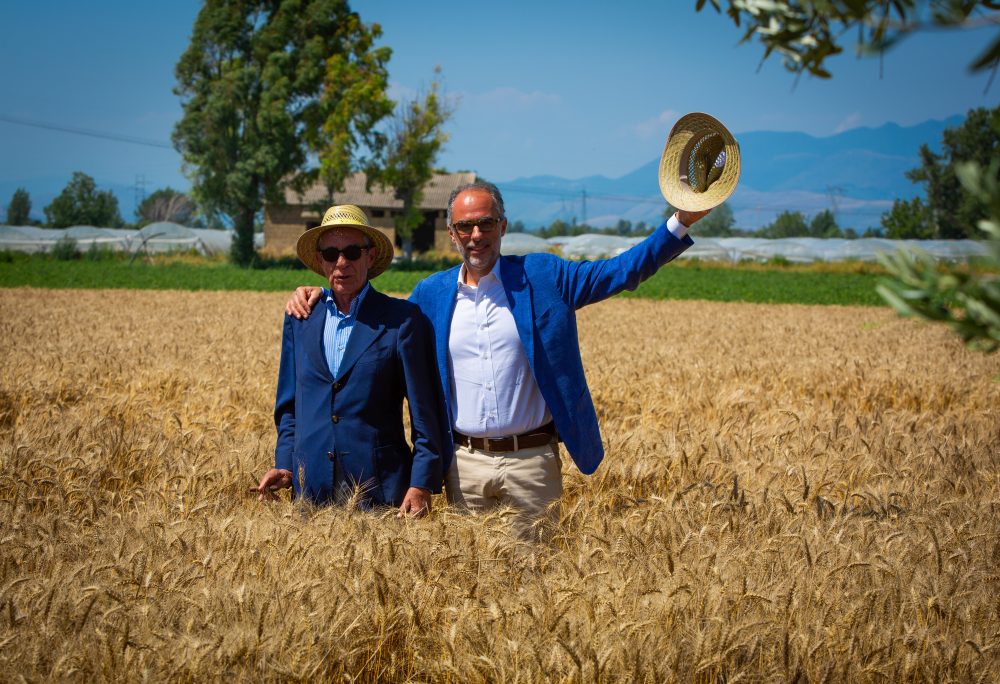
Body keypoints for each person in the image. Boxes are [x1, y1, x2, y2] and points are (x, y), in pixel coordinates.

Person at [286, 184, 708, 527]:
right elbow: (372, 323)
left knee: (537, 589)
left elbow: (621, 271)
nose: (476, 236)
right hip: (462, 467)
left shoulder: (545, 277)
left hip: (532, 464)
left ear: (502, 226)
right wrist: (321, 296)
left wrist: (680, 222)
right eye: (465, 226)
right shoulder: (430, 295)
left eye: (485, 224)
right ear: (451, 233)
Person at [258, 204, 451, 517]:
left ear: (370, 256)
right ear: (320, 260)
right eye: (331, 254)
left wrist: (422, 483)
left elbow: (425, 415)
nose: (341, 262)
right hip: (311, 494)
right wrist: (285, 465)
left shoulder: (401, 321)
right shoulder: (301, 317)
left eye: (352, 251)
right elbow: (290, 406)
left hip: (381, 492)